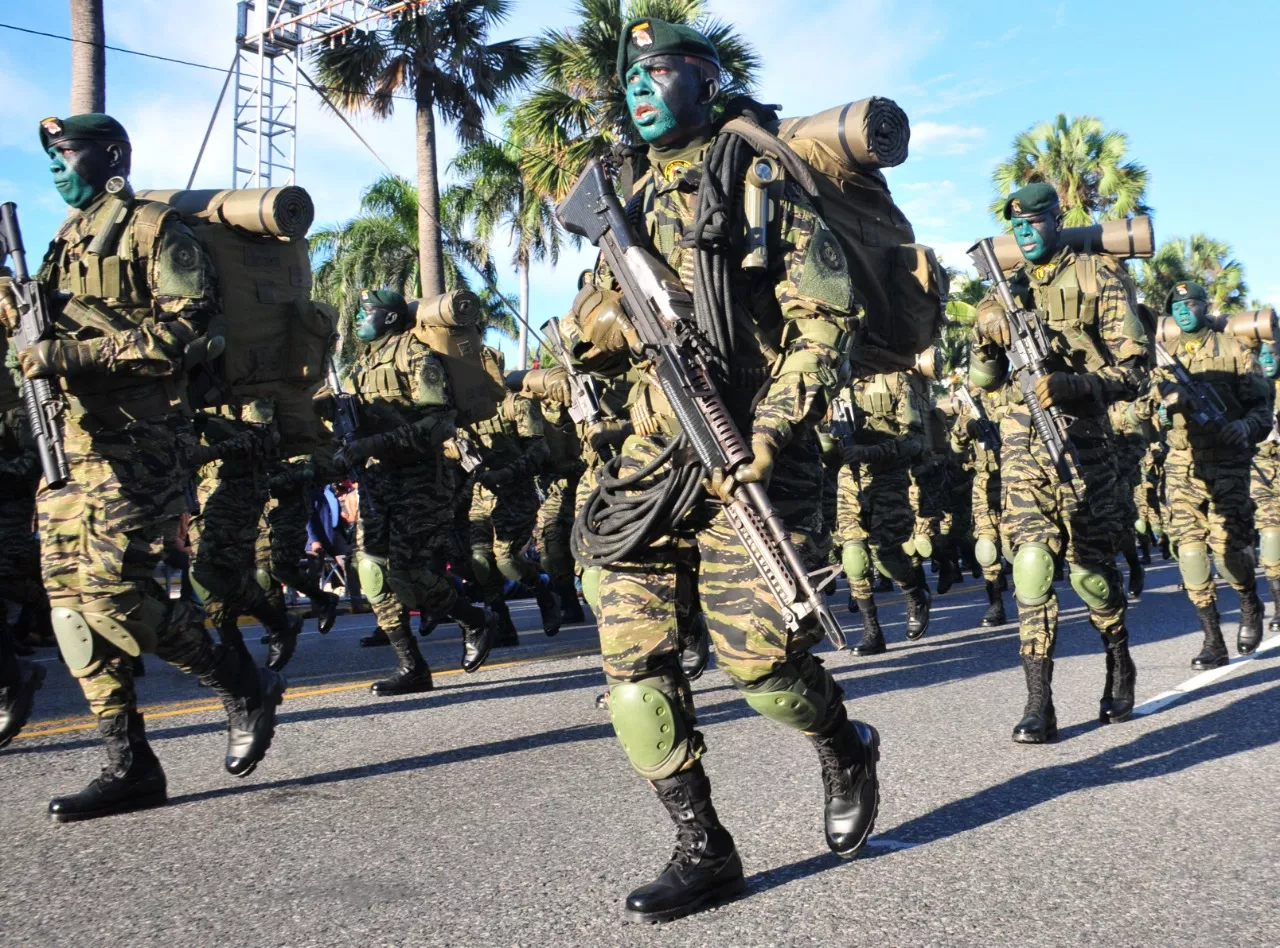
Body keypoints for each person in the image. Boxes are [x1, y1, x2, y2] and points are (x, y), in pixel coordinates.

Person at [566, 19, 881, 922]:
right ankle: (705, 848)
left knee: (766, 670)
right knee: (633, 669)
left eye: (658, 71)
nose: (638, 87)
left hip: (746, 450)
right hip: (648, 463)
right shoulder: (619, 190)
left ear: (705, 82)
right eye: (631, 75)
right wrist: (619, 317)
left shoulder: (758, 179)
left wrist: (772, 431)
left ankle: (842, 742)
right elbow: (592, 312)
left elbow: (825, 321)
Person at [0, 113, 284, 820]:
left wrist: (74, 356)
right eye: (53, 156)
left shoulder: (158, 230)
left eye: (68, 152)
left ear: (110, 154)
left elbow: (191, 329)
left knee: (116, 597)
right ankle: (129, 766)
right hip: (69, 444)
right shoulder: (65, 240)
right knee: (70, 609)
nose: (57, 166)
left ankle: (239, 679)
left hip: (142, 446)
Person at [972, 181, 1147, 742]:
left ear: (1057, 217)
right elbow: (985, 380)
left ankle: (1118, 657)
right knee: (1030, 565)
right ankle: (1038, 705)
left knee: (1092, 576)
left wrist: (1075, 383)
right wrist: (984, 333)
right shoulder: (1006, 290)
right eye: (1015, 224)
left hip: (1084, 441)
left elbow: (1136, 373)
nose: (1024, 231)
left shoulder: (1101, 276)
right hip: (1022, 444)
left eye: (1035, 220)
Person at [336, 289, 496, 694]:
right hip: (380, 481)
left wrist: (374, 444)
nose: (358, 317)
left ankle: (474, 619)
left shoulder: (416, 356)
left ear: (389, 318)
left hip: (421, 480)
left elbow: (439, 422)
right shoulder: (362, 365)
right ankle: (412, 667)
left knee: (408, 576)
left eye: (366, 312)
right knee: (372, 571)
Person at [1153, 282, 1271, 667]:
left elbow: (1261, 407)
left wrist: (1245, 428)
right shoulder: (1162, 358)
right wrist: (1156, 409)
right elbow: (1143, 408)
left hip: (1227, 461)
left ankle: (1250, 602)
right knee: (1189, 551)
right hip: (1182, 463)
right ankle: (1212, 639)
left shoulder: (1234, 349)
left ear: (1205, 306)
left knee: (1227, 552)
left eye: (1190, 303)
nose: (1184, 310)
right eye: (1177, 306)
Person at [836, 370, 930, 655]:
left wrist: (872, 453)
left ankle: (915, 593)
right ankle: (871, 631)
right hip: (849, 477)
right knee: (853, 553)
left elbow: (914, 440)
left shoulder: (894, 380)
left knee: (885, 554)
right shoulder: (833, 379)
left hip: (888, 475)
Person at [468, 361, 561, 643]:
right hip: (480, 497)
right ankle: (501, 625)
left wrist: (505, 473)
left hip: (515, 495)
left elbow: (539, 449)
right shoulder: (464, 410)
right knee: (480, 560)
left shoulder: (516, 404)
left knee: (506, 559)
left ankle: (544, 594)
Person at [1251, 342, 1280, 631]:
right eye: (1263, 355)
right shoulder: (1251, 390)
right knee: (1271, 540)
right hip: (1265, 476)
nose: (1268, 359)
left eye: (1273, 353)